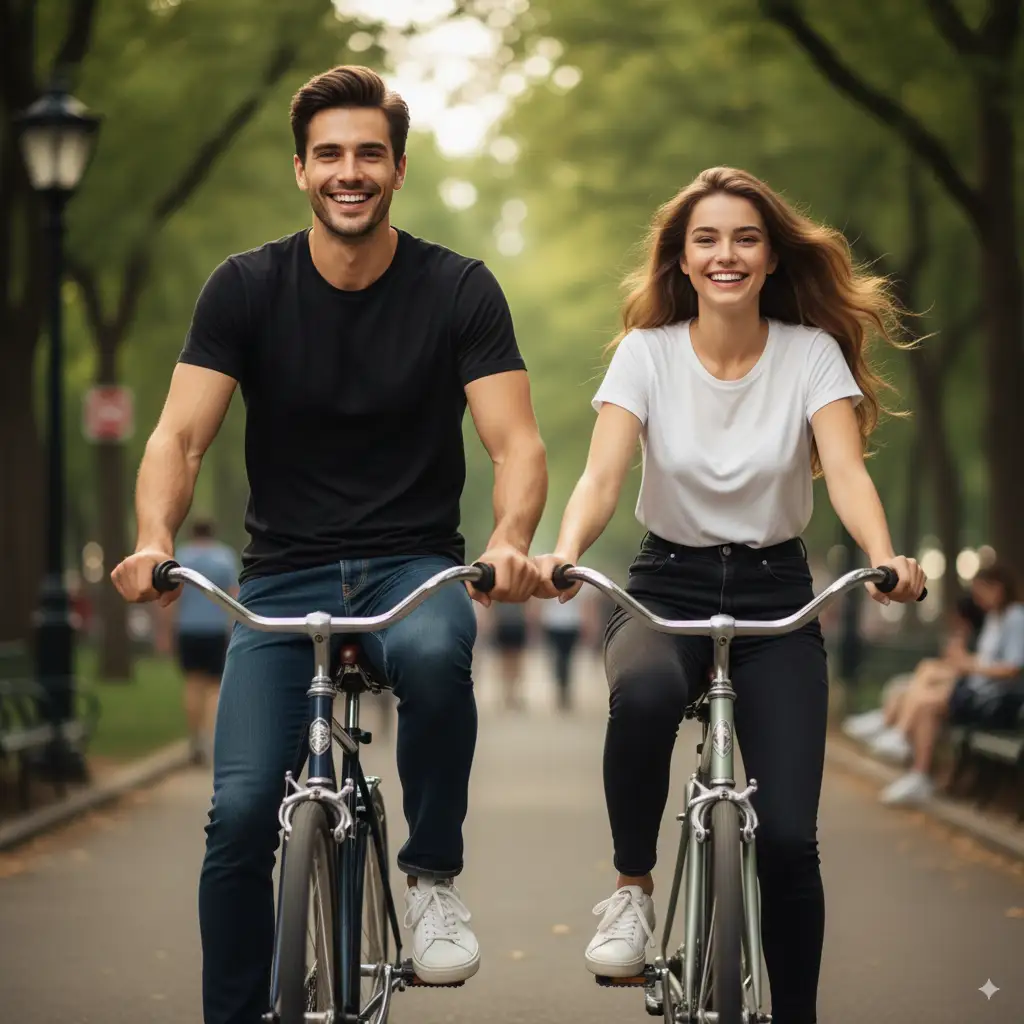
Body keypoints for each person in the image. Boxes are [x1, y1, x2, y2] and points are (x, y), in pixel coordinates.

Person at [110, 65, 547, 1024]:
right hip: (281, 580)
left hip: (411, 565)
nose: (350, 171)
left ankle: (431, 877)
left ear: (397, 169)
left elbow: (513, 441)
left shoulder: (459, 290)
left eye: (369, 154)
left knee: (437, 653)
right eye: (330, 155)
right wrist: (153, 538)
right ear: (301, 170)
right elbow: (179, 437)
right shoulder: (245, 288)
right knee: (234, 821)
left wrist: (512, 540)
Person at [532, 167, 925, 1024]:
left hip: (775, 595)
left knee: (789, 841)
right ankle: (633, 889)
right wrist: (565, 551)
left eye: (746, 238)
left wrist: (887, 556)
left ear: (773, 257)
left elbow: (848, 474)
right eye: (706, 239)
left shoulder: (809, 354)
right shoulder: (647, 353)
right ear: (680, 257)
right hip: (665, 584)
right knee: (643, 695)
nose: (726, 255)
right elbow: (603, 473)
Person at [879, 563, 1024, 805]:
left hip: (994, 701)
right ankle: (915, 766)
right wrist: (964, 661)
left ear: (998, 588)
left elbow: (1013, 668)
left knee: (927, 702)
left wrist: (970, 665)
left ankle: (912, 759)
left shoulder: (1015, 618)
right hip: (977, 691)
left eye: (982, 592)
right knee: (925, 692)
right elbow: (988, 660)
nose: (978, 600)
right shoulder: (995, 618)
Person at [842, 591, 985, 757]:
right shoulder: (961, 634)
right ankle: (885, 722)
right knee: (900, 685)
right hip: (952, 679)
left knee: (922, 687)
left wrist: (958, 656)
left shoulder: (975, 637)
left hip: (962, 686)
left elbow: (964, 664)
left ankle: (897, 732)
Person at [171, 518, 239, 764]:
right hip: (215, 630)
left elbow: (172, 596)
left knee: (192, 684)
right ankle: (210, 740)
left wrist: (169, 628)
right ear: (213, 532)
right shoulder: (224, 557)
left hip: (188, 629)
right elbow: (234, 593)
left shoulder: (181, 557)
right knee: (213, 687)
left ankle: (194, 738)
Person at [540, 586, 584, 711]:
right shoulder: (549, 580)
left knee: (567, 659)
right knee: (558, 659)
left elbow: (584, 604)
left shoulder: (577, 581)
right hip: (553, 624)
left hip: (571, 624)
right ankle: (560, 688)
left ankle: (565, 689)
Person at [491, 599, 530, 710]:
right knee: (506, 661)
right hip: (504, 623)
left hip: (517, 623)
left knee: (516, 662)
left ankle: (514, 694)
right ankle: (507, 694)